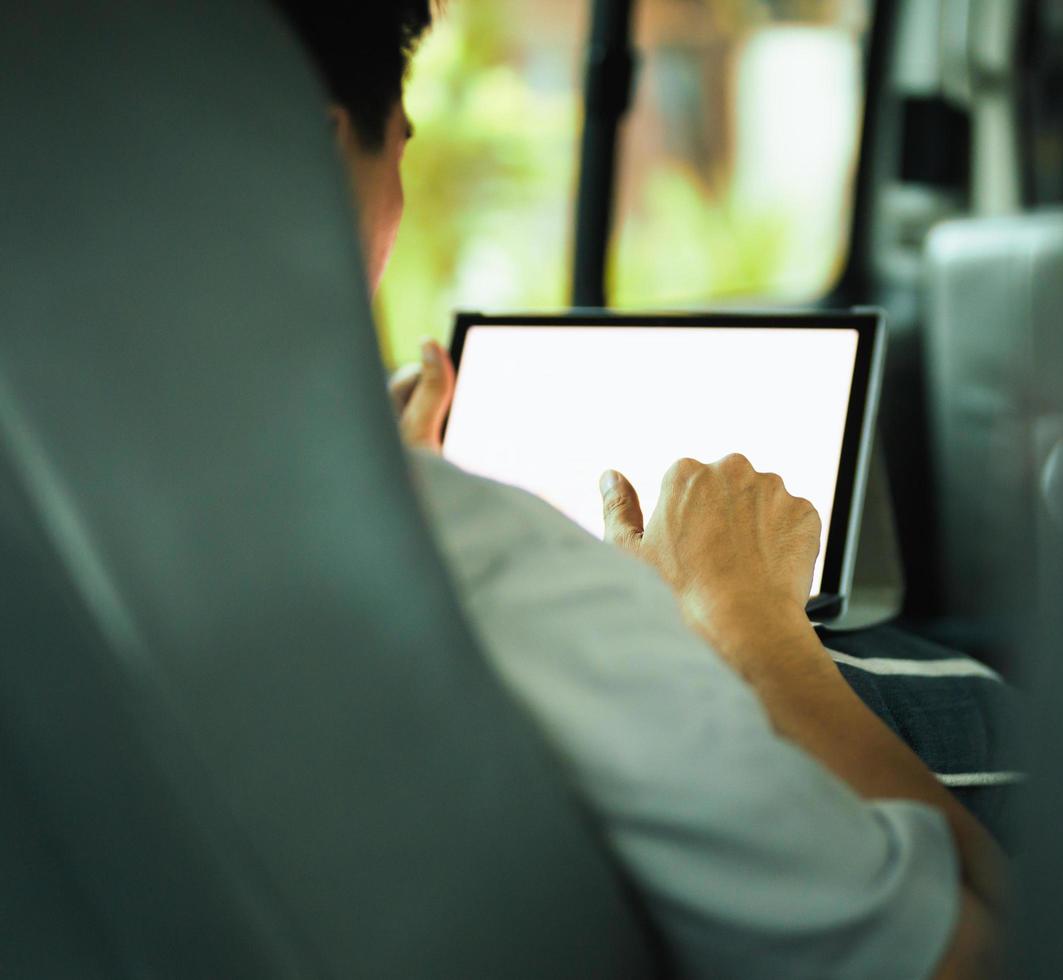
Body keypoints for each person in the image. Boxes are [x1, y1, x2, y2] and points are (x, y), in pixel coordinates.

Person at [270, 2, 1006, 977]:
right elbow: (975, 956)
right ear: (311, 159)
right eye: (400, 148)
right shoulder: (496, 566)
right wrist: (754, 632)